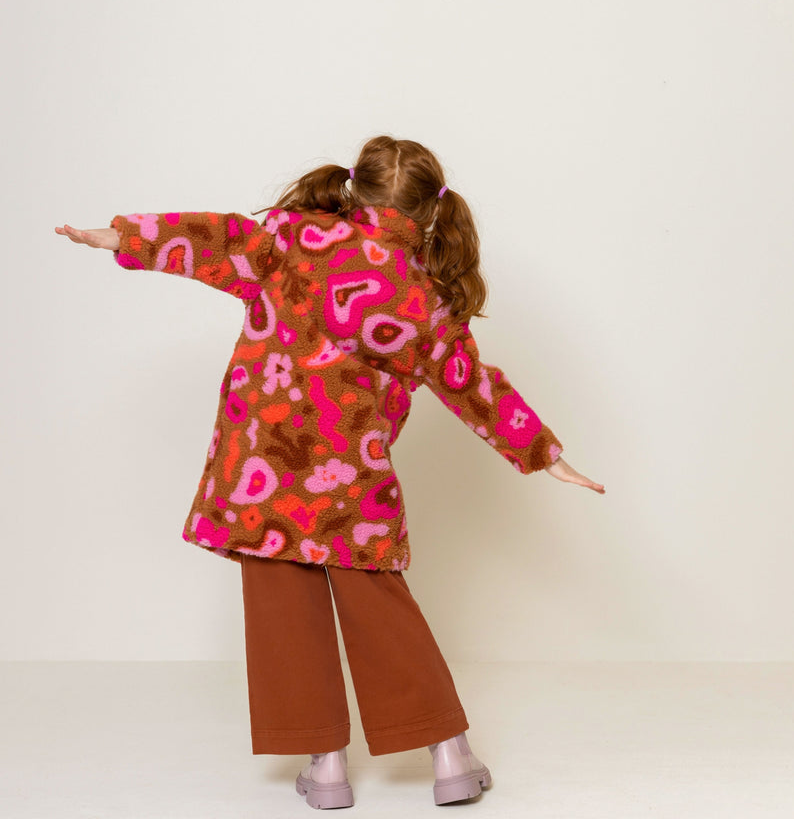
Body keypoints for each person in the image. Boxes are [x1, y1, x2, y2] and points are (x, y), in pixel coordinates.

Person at [55, 134, 604, 809]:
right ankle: (450, 757)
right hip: (349, 478)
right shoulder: (423, 299)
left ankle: (326, 769)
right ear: (430, 213)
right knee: (380, 607)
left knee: (282, 605)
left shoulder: (289, 241)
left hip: (261, 464)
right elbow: (471, 382)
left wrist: (122, 237)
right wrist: (545, 454)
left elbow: (218, 237)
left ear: (353, 190)